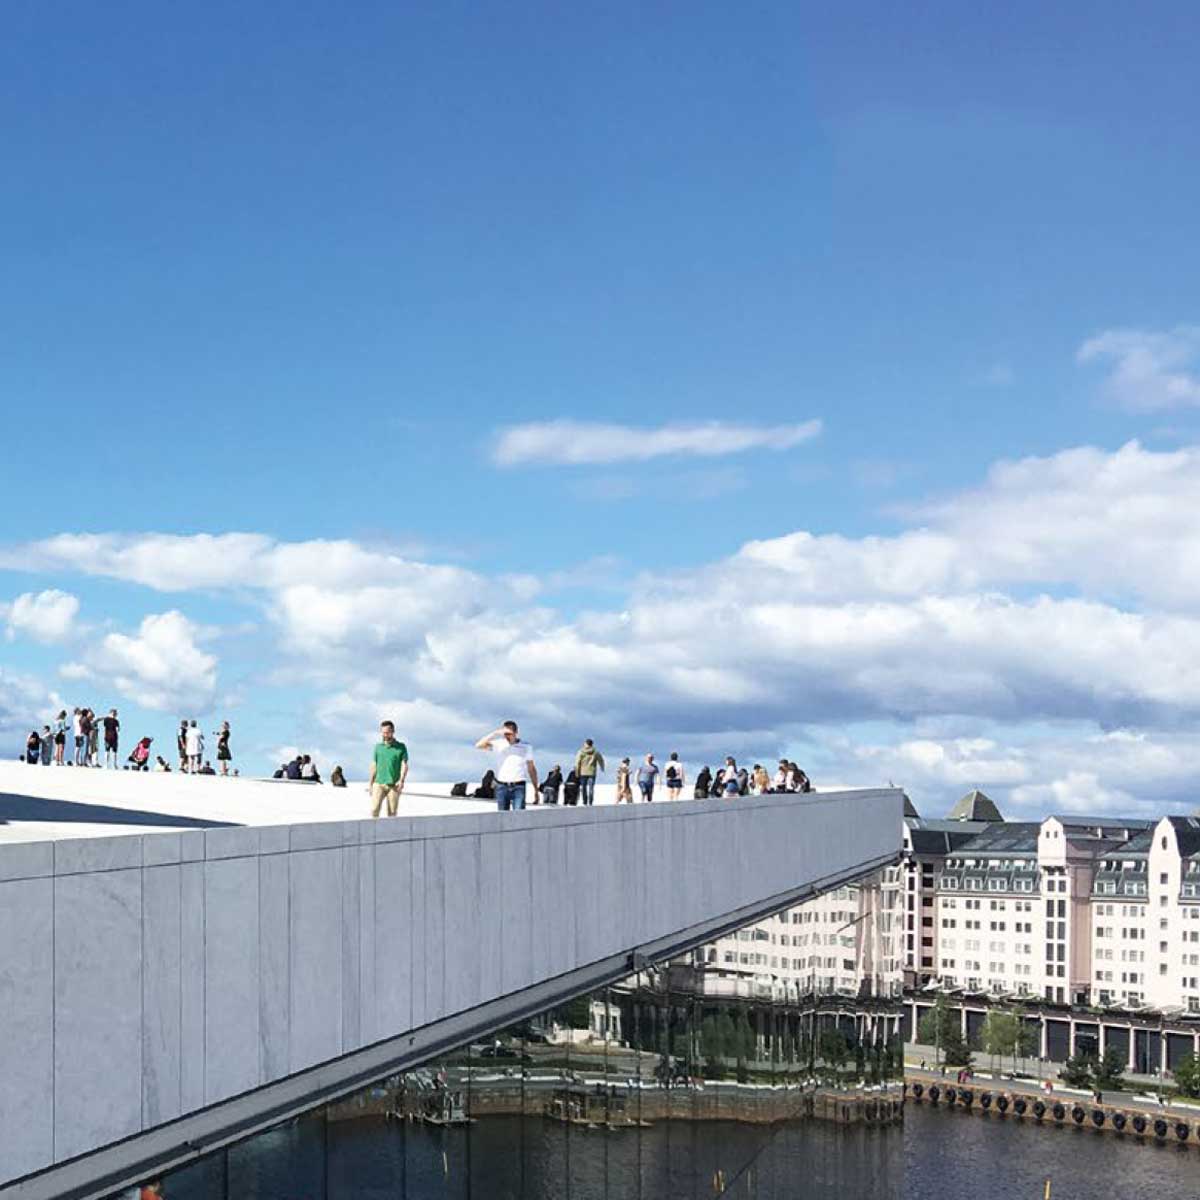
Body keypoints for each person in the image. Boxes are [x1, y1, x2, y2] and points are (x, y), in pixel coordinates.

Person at [475, 721, 538, 811]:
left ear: (516, 732)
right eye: (505, 734)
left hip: (519, 786)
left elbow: (531, 768)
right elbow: (478, 745)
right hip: (502, 786)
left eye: (509, 734)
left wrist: (535, 790)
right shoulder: (499, 744)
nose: (507, 736)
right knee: (502, 817)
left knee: (519, 816)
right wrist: (495, 733)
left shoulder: (526, 746)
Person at [369, 719, 409, 818]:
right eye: (383, 732)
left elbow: (404, 765)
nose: (385, 735)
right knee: (374, 810)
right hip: (378, 783)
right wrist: (370, 783)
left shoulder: (401, 747)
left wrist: (401, 780)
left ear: (393, 731)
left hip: (394, 785)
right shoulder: (378, 747)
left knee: (392, 813)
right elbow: (374, 765)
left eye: (387, 732)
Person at [574, 738, 605, 806]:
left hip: (583, 772)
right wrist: (602, 768)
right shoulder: (596, 752)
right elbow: (601, 760)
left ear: (585, 744)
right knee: (591, 788)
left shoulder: (581, 752)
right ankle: (590, 802)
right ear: (592, 744)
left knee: (584, 788)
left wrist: (577, 772)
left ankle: (585, 802)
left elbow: (577, 762)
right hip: (592, 772)